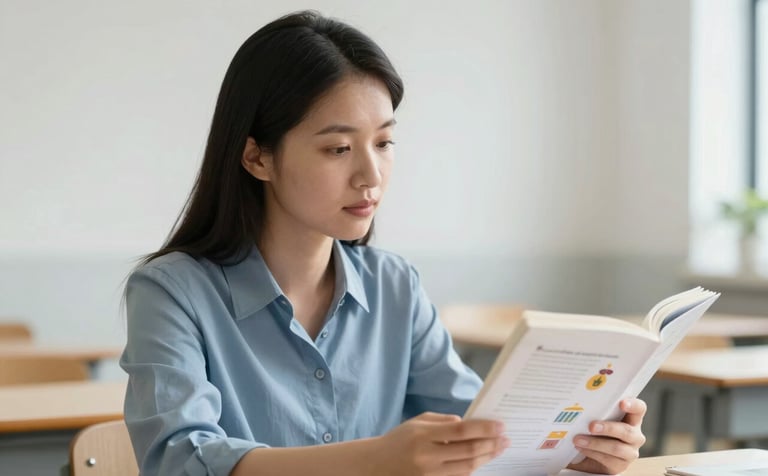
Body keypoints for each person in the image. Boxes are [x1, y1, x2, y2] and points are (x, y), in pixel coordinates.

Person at [120, 10, 647, 476]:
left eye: (385, 142)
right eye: (338, 148)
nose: (370, 174)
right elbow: (179, 459)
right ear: (258, 157)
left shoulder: (393, 283)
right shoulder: (172, 291)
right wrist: (374, 461)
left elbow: (479, 425)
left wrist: (575, 446)